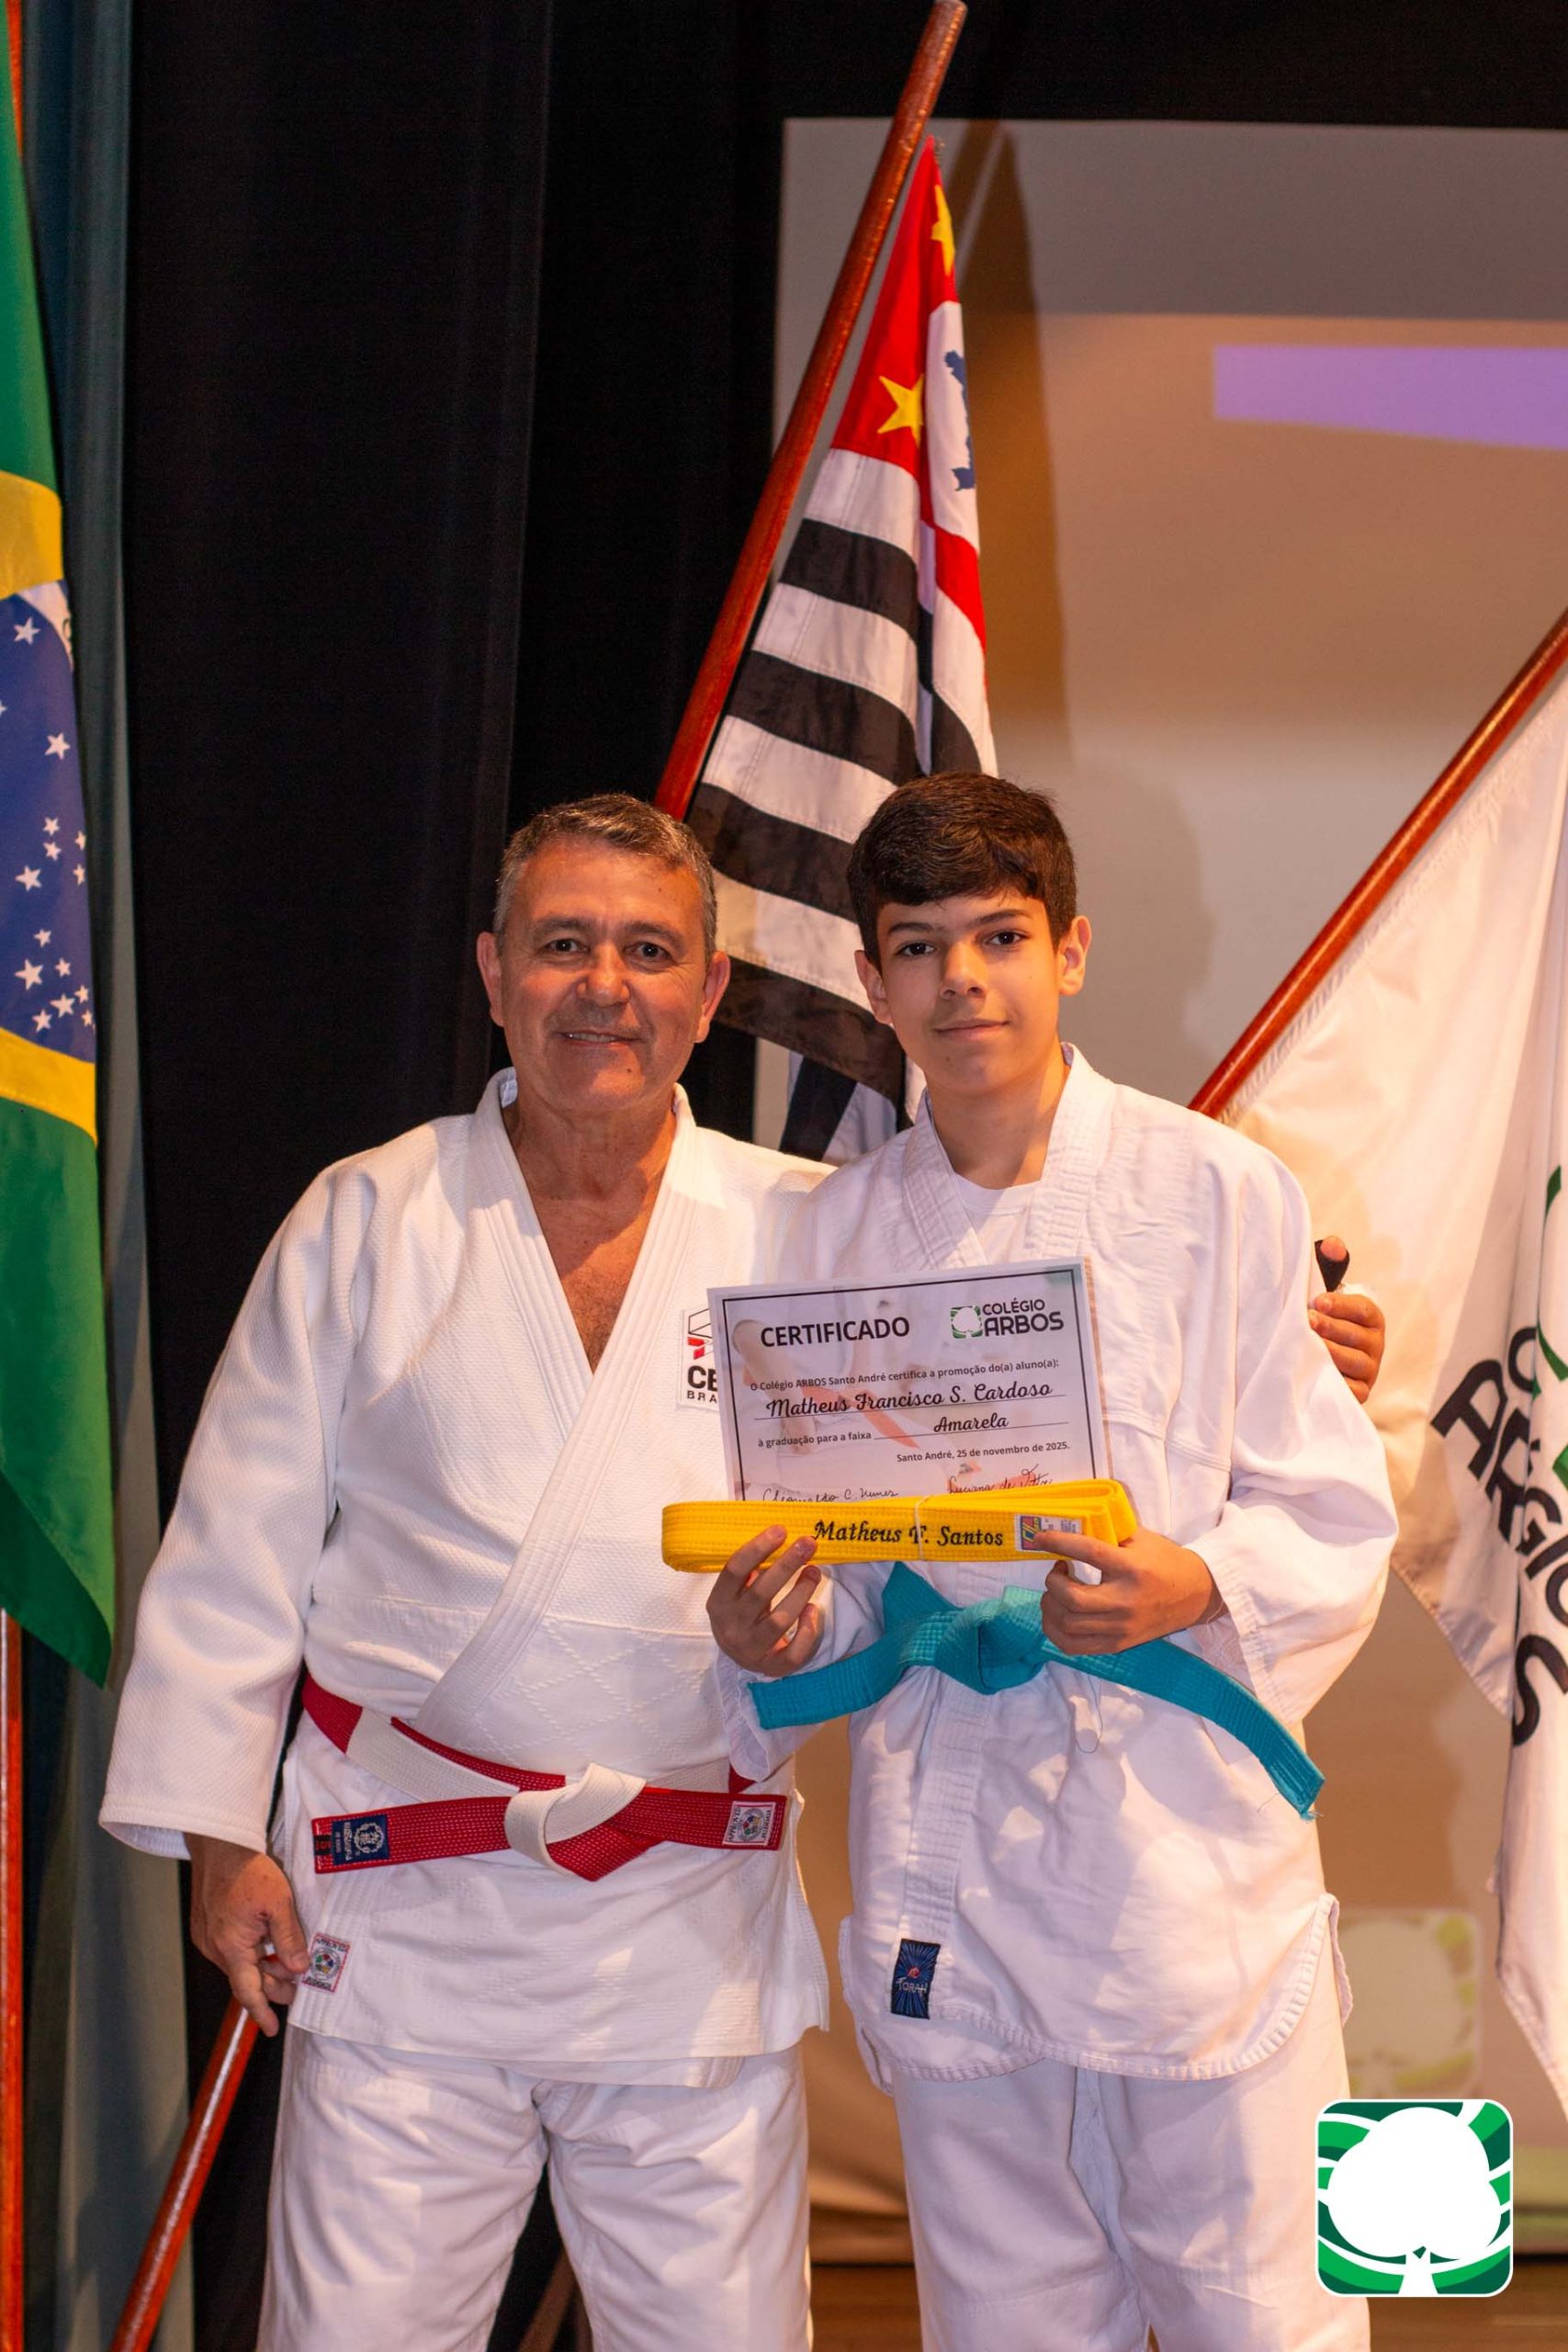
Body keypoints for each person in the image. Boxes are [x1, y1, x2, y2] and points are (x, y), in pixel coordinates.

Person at [101, 797, 829, 2352]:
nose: (605, 986)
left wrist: (1272, 1337)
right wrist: (220, 1836)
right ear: (495, 974)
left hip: (688, 1922)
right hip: (407, 1909)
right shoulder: (368, 1216)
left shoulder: (810, 1231)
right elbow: (235, 1549)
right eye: (564, 945)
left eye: (650, 952)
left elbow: (980, 1420)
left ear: (712, 992)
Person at [707, 773, 1398, 2352]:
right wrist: (775, 1629)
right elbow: (842, 1570)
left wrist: (1195, 1584)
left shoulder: (1216, 1189)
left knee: (1271, 2317)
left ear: (1071, 949)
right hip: (950, 1845)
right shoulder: (824, 1238)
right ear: (872, 979)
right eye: (919, 947)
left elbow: (1327, 1501)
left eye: (1001, 937)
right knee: (1005, 2318)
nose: (963, 981)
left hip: (1183, 1857)